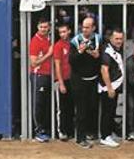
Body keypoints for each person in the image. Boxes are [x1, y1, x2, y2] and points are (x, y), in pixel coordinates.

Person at [69, 16, 102, 149]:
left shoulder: (98, 39)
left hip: (93, 80)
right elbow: (71, 60)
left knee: (92, 108)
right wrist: (80, 51)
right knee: (81, 111)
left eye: (87, 27)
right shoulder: (75, 41)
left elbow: (102, 59)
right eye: (83, 27)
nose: (85, 30)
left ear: (93, 28)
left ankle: (90, 133)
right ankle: (80, 138)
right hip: (79, 81)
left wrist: (97, 56)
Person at [98, 28, 124, 148]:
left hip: (113, 87)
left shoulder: (115, 49)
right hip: (108, 88)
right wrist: (109, 88)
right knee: (107, 112)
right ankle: (105, 136)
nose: (119, 41)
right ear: (111, 39)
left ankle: (108, 134)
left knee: (111, 111)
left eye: (121, 38)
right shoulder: (108, 51)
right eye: (116, 39)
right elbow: (104, 70)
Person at [29, 19, 53, 142]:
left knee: (45, 104)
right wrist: (49, 54)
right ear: (37, 27)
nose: (43, 29)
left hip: (47, 75)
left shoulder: (47, 39)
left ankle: (45, 129)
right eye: (41, 27)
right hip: (38, 75)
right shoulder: (35, 41)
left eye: (45, 27)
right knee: (38, 104)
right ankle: (38, 131)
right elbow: (33, 63)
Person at [52, 22, 73, 141]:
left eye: (64, 31)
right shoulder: (58, 45)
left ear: (69, 31)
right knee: (62, 108)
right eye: (60, 32)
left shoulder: (73, 44)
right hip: (62, 80)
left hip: (72, 80)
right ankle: (62, 131)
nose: (63, 34)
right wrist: (60, 83)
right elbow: (57, 65)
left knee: (70, 107)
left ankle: (70, 130)